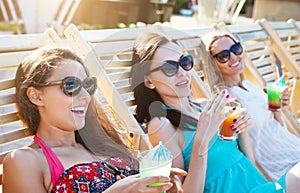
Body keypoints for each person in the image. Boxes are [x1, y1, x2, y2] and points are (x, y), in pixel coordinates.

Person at [130, 32, 300, 193]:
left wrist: (243, 131)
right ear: (149, 81)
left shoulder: (205, 106)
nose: (182, 73)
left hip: (259, 187)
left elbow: (246, 162)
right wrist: (201, 142)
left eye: (185, 63)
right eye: (169, 68)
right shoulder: (161, 125)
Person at [2, 47, 186, 193]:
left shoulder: (102, 144)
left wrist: (156, 183)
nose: (85, 96)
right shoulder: (24, 161)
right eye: (71, 86)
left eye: (88, 85)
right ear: (36, 96)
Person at [200, 31, 300, 182]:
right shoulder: (227, 98)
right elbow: (244, 151)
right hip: (282, 166)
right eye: (223, 56)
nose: (233, 57)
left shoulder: (249, 85)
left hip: (292, 147)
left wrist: (276, 105)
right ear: (212, 64)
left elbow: (276, 126)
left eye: (236, 49)